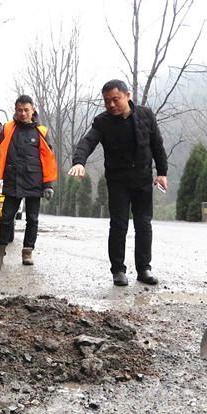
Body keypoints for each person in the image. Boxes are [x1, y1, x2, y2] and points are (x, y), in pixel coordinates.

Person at [68, 80, 168, 286]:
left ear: (127, 95)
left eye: (115, 99)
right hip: (118, 182)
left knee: (143, 225)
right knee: (119, 225)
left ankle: (144, 269)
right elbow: (87, 142)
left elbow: (157, 144)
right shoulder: (102, 122)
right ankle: (118, 270)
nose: (111, 105)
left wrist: (162, 172)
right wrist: (79, 162)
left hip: (142, 180)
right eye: (107, 101)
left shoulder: (146, 115)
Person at [0, 95, 57, 265]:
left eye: (26, 110)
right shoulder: (7, 129)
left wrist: (48, 184)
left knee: (32, 219)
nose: (23, 113)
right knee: (6, 217)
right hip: (13, 180)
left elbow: (48, 159)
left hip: (35, 181)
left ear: (33, 110)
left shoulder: (41, 131)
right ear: (15, 110)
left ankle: (28, 252)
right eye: (19, 110)